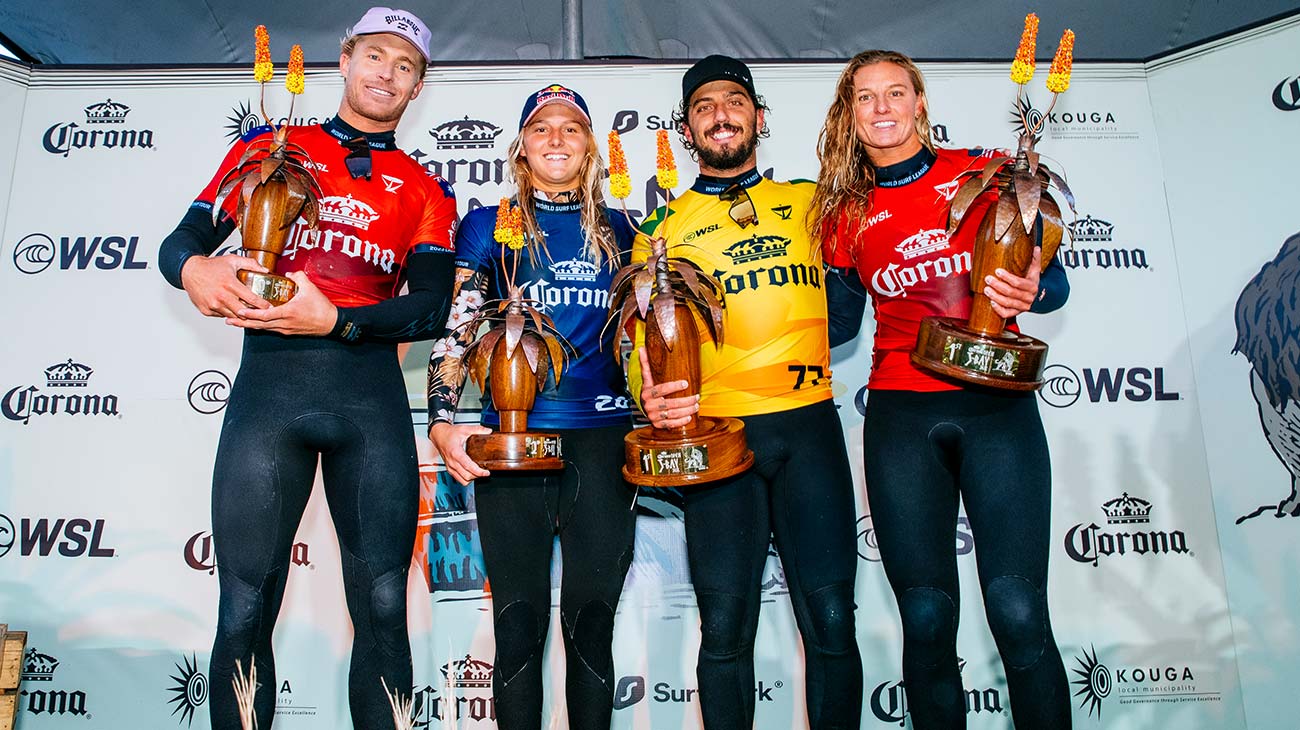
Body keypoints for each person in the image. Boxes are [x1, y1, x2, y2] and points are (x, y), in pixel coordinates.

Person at [157, 8, 457, 728]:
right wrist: (195, 268)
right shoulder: (271, 147)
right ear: (346, 60)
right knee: (246, 605)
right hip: (272, 395)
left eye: (405, 65)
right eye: (375, 56)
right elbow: (182, 242)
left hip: (370, 405)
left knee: (385, 605)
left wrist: (340, 320)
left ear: (417, 89)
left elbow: (430, 309)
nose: (386, 72)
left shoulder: (426, 188)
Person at [812, 49, 1071, 729]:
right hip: (901, 417)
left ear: (920, 103)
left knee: (1018, 613)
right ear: (850, 113)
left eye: (895, 93)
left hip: (997, 412)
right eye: (865, 98)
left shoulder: (984, 174)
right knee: (926, 619)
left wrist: (1031, 288)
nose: (883, 108)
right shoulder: (843, 212)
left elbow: (1057, 285)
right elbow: (838, 329)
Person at [632, 55, 863, 730]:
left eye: (733, 101)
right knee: (726, 627)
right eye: (703, 106)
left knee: (829, 622)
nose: (720, 115)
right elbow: (636, 344)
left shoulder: (812, 203)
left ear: (758, 118)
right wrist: (648, 392)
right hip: (720, 444)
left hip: (808, 435)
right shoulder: (659, 229)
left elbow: (846, 317)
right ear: (685, 130)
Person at [426, 84, 639, 730]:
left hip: (602, 447)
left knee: (591, 631)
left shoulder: (625, 230)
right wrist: (441, 419)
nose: (555, 138)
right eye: (541, 128)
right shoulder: (489, 225)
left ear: (590, 147)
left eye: (571, 128)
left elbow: (642, 339)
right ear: (521, 146)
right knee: (517, 631)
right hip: (514, 449)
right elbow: (459, 328)